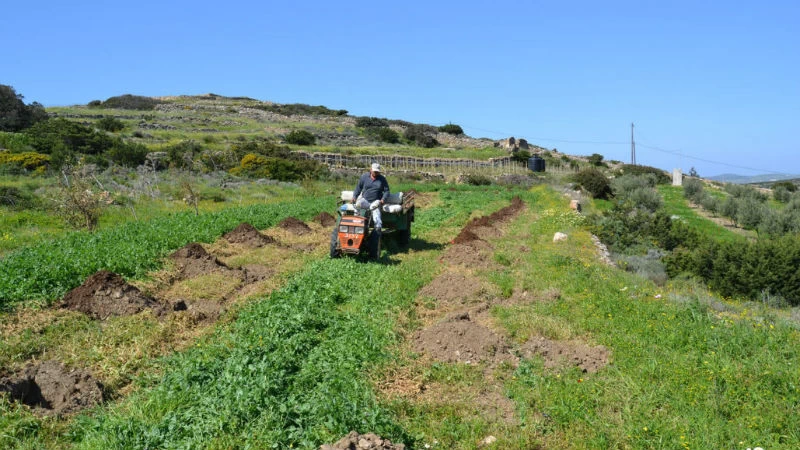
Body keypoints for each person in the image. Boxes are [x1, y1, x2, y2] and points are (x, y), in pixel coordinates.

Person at [352, 162, 390, 231]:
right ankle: (356, 224)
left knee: (375, 208)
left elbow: (387, 191)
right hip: (365, 200)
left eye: (377, 172)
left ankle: (377, 228)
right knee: (358, 204)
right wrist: (354, 196)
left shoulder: (382, 179)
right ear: (371, 170)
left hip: (376, 200)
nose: (375, 173)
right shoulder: (364, 177)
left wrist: (383, 199)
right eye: (374, 171)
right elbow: (358, 188)